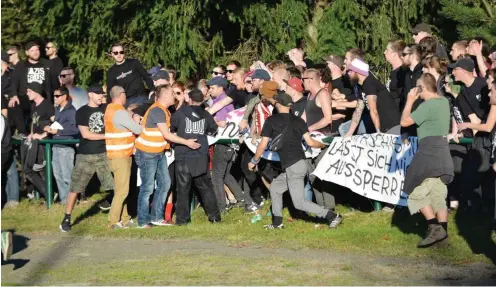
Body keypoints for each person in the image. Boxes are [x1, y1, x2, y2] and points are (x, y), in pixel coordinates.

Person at [249, 92, 342, 229]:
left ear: (278, 104)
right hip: (298, 164)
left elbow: (263, 144)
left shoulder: (271, 120)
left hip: (293, 166)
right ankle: (277, 223)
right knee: (275, 188)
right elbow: (310, 142)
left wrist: (254, 161)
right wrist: (323, 145)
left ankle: (332, 216)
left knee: (299, 202)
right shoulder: (299, 121)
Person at [134, 84, 200, 228]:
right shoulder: (157, 110)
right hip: (147, 153)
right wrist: (186, 142)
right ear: (165, 96)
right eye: (172, 93)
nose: (174, 96)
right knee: (147, 187)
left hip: (159, 152)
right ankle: (143, 221)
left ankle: (157, 217)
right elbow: (166, 134)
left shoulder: (164, 110)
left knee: (165, 184)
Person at [400, 73, 453, 248]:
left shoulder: (427, 105)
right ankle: (443, 234)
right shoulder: (444, 102)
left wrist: (409, 100)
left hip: (428, 151)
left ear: (422, 88)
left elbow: (405, 121)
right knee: (438, 191)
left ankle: (433, 226)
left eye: (417, 87)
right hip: (443, 151)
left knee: (413, 190)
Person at [59, 85, 115, 232]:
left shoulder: (106, 108)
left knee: (113, 185)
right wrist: (108, 136)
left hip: (103, 153)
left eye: (102, 94)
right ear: (90, 94)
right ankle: (67, 217)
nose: (101, 96)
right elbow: (86, 134)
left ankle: (111, 206)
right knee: (75, 187)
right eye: (98, 94)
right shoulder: (82, 112)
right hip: (85, 155)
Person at [171, 89, 221, 225]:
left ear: (190, 99)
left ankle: (182, 220)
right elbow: (213, 130)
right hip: (200, 154)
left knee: (182, 189)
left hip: (183, 154)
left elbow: (172, 128)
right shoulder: (206, 114)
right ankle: (215, 217)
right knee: (205, 187)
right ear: (202, 100)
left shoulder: (180, 113)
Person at [104, 86, 142, 229]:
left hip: (116, 155)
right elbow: (137, 129)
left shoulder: (110, 109)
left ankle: (125, 219)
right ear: (121, 95)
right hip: (121, 156)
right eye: (125, 94)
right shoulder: (119, 112)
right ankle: (113, 222)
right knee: (122, 191)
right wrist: (138, 121)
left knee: (121, 189)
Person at [208, 77, 244, 212]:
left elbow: (222, 123)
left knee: (216, 177)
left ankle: (221, 207)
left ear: (220, 88)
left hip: (223, 142)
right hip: (232, 142)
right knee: (226, 174)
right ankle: (241, 198)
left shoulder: (221, 102)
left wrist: (210, 118)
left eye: (212, 87)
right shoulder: (224, 100)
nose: (210, 90)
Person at [344, 58, 401, 137]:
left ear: (357, 71)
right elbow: (357, 112)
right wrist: (348, 134)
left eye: (349, 71)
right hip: (384, 127)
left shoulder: (369, 83)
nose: (348, 74)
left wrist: (378, 133)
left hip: (392, 126)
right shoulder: (362, 86)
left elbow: (373, 110)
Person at [43, 88, 79, 205]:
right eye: (54, 95)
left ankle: (72, 200)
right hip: (56, 145)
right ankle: (64, 199)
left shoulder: (71, 111)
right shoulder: (58, 110)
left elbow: (75, 129)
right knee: (58, 174)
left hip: (66, 147)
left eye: (57, 96)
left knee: (67, 175)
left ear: (65, 96)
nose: (55, 98)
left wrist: (57, 131)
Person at [10, 42, 52, 137]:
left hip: (41, 99)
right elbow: (14, 81)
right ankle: (22, 133)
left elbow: (50, 85)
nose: (35, 52)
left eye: (37, 50)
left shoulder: (46, 64)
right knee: (14, 104)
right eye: (32, 50)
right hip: (25, 97)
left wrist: (50, 101)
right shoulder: (21, 64)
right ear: (27, 52)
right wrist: (14, 95)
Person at [22, 83, 55, 199]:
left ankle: (50, 194)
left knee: (42, 169)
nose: (27, 94)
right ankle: (47, 194)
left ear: (36, 91)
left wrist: (43, 135)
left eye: (29, 91)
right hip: (35, 142)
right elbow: (33, 123)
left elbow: (55, 124)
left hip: (44, 143)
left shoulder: (47, 105)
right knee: (31, 169)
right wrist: (31, 134)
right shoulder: (33, 106)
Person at [384, 40, 407, 110]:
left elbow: (401, 99)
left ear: (394, 54)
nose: (384, 52)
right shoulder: (394, 73)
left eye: (387, 50)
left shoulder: (401, 74)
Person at [401, 45, 424, 112]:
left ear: (413, 55)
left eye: (404, 54)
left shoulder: (423, 74)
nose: (402, 57)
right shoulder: (407, 74)